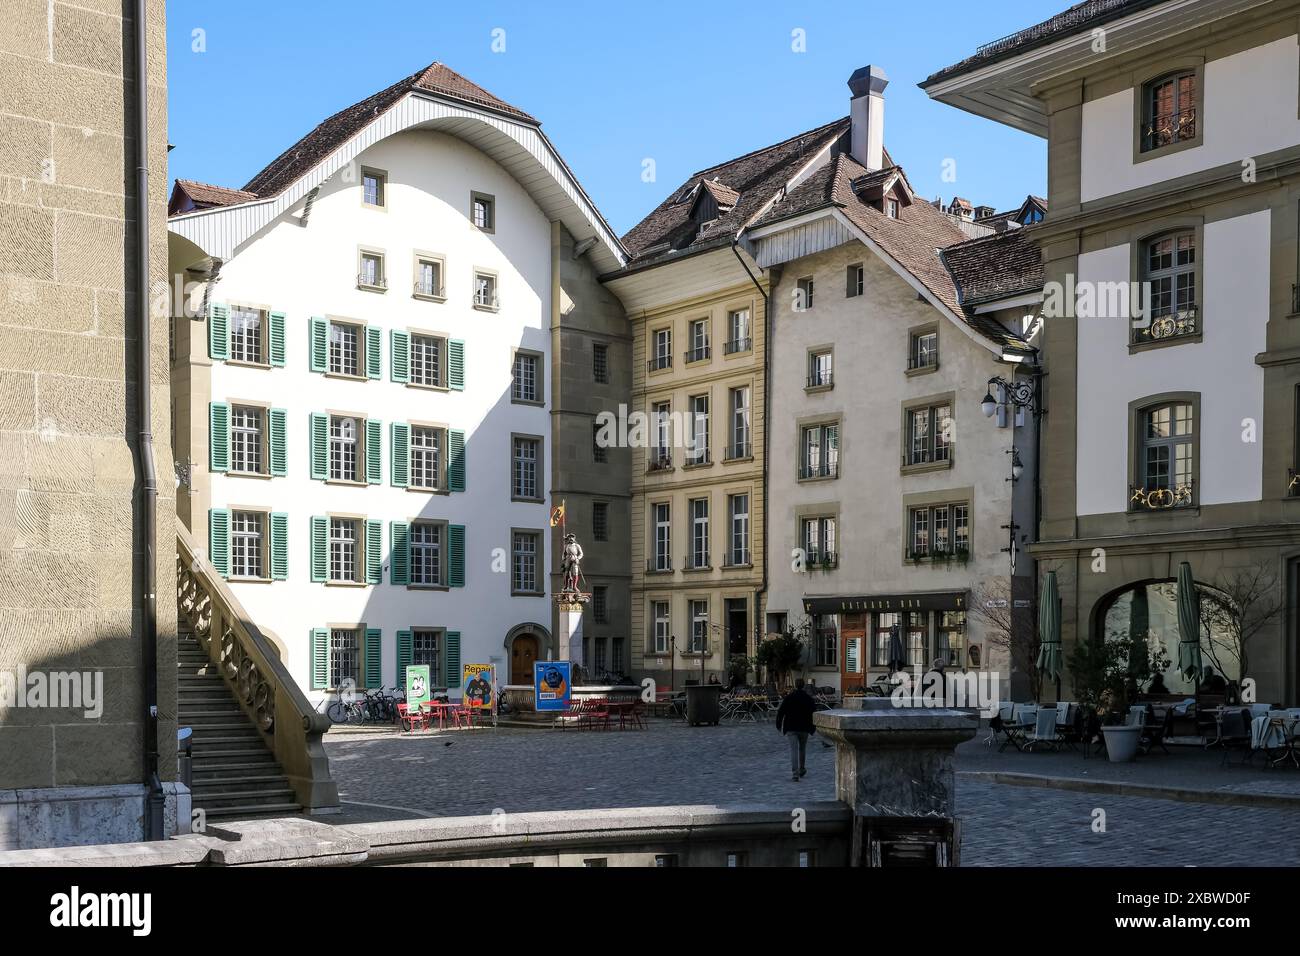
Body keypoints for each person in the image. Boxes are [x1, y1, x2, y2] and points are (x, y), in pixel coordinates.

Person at [775, 679, 817, 782]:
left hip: (791, 726)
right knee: (802, 749)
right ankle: (802, 768)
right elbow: (814, 713)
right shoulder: (808, 698)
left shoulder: (789, 697)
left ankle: (795, 773)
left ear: (795, 685)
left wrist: (779, 724)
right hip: (804, 727)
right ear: (803, 686)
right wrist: (813, 727)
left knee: (794, 750)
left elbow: (781, 711)